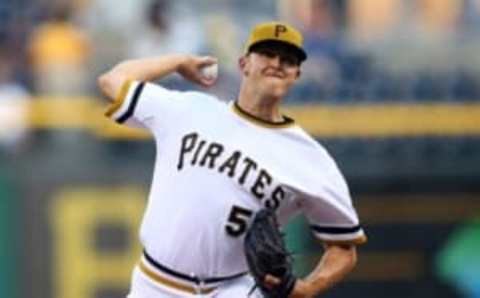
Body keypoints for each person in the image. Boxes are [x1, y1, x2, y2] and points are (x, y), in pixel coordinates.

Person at [98, 21, 367, 298]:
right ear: (244, 64)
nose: (276, 63)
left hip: (233, 289)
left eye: (287, 60)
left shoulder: (310, 159)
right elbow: (112, 80)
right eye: (267, 54)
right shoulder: (188, 109)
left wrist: (308, 288)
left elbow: (343, 249)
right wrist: (178, 62)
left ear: (296, 74)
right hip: (156, 285)